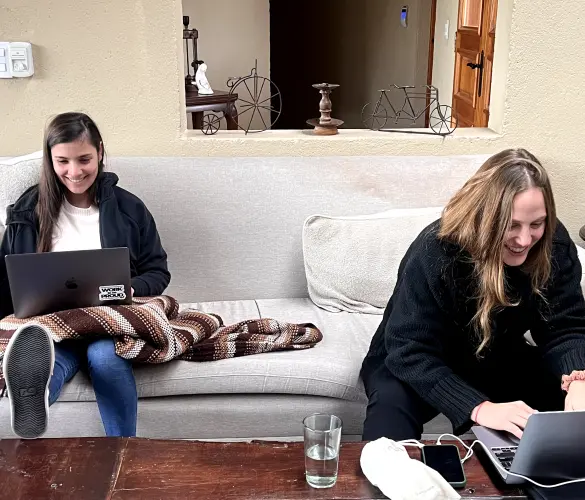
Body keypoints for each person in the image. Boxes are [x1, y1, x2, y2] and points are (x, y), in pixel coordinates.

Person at [362, 148, 585, 441]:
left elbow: (564, 328)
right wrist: (479, 408)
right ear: (485, 216)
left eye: (537, 224)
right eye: (512, 225)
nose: (524, 239)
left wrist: (577, 379)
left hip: (496, 355)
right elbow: (408, 350)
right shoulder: (436, 250)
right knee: (387, 428)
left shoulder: (553, 244)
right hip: (416, 359)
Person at [0, 112, 171, 438]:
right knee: (50, 358)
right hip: (49, 321)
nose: (74, 172)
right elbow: (5, 275)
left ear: (100, 152)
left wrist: (129, 288)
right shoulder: (28, 209)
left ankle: (124, 452)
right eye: (62, 161)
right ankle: (29, 422)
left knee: (105, 358)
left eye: (84, 159)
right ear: (50, 159)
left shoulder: (129, 208)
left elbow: (157, 271)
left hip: (108, 318)